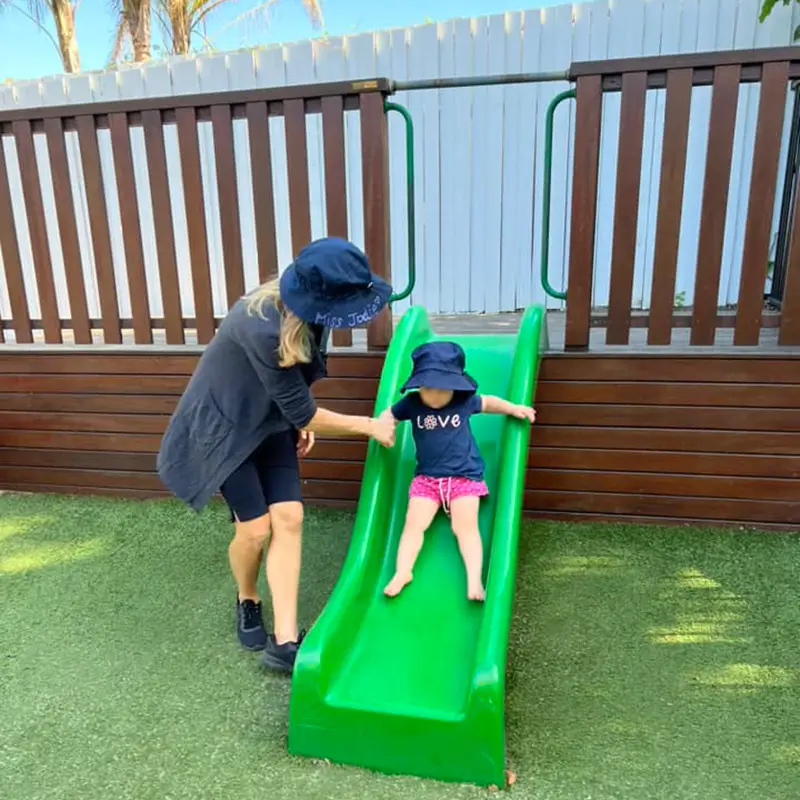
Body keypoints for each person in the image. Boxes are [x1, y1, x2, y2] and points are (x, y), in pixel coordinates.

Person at [157, 237, 396, 673]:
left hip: (272, 423)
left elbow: (298, 392)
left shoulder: (311, 312)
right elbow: (303, 405)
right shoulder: (259, 324)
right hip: (226, 433)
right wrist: (366, 425)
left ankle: (285, 641)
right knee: (255, 529)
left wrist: (300, 420)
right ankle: (247, 596)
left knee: (290, 518)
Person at [380, 341, 535, 601]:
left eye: (443, 390)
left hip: (464, 478)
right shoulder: (412, 403)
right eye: (429, 388)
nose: (436, 395)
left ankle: (474, 581)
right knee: (413, 524)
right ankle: (403, 571)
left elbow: (489, 403)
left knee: (465, 527)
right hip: (426, 479)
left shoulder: (464, 401)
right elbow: (389, 413)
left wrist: (513, 408)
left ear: (455, 386)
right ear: (419, 385)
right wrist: (385, 427)